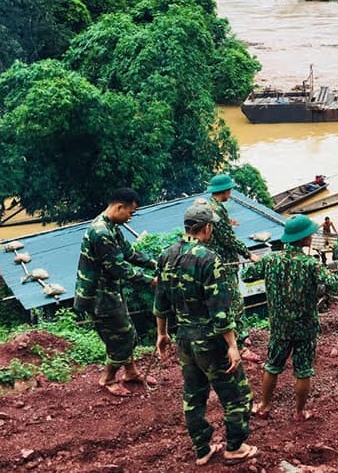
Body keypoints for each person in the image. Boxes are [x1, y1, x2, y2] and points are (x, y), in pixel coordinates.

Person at [153, 200, 256, 465]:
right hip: (210, 340)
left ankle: (202, 450)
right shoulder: (209, 259)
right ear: (207, 228)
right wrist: (233, 345)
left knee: (194, 397)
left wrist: (162, 334)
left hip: (184, 339)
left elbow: (160, 302)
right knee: (237, 395)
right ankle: (235, 447)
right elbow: (219, 309)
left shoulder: (166, 255)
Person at [242, 215, 338, 422]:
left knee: (272, 365)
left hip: (280, 326)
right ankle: (299, 412)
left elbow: (246, 276)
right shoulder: (311, 264)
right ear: (304, 239)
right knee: (303, 370)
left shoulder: (271, 259)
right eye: (310, 234)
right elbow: (335, 284)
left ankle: (265, 406)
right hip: (305, 327)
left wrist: (261, 264)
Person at [74, 188, 156, 397]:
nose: (130, 217)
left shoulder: (111, 226)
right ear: (120, 207)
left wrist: (156, 264)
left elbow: (129, 253)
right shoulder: (100, 233)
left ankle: (131, 372)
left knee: (125, 331)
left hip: (111, 293)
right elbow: (119, 268)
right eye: (130, 212)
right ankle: (108, 378)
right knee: (122, 336)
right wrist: (150, 281)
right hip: (99, 297)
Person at [206, 174, 256, 359]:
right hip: (224, 264)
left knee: (228, 301)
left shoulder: (210, 206)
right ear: (225, 191)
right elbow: (228, 239)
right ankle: (240, 345)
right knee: (234, 302)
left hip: (217, 262)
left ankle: (240, 335)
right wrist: (248, 253)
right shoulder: (216, 211)